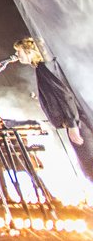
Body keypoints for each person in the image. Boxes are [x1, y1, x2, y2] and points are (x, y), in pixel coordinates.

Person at [14, 37, 93, 181]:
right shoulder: (42, 68)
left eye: (19, 52)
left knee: (89, 164)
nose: (17, 55)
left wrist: (72, 124)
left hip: (78, 122)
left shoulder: (44, 67)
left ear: (29, 51)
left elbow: (65, 96)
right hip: (75, 121)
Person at [0, 105, 43, 203]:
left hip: (19, 155)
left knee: (30, 167)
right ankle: (6, 196)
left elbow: (24, 125)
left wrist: (36, 124)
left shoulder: (7, 123)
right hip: (5, 157)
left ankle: (46, 195)